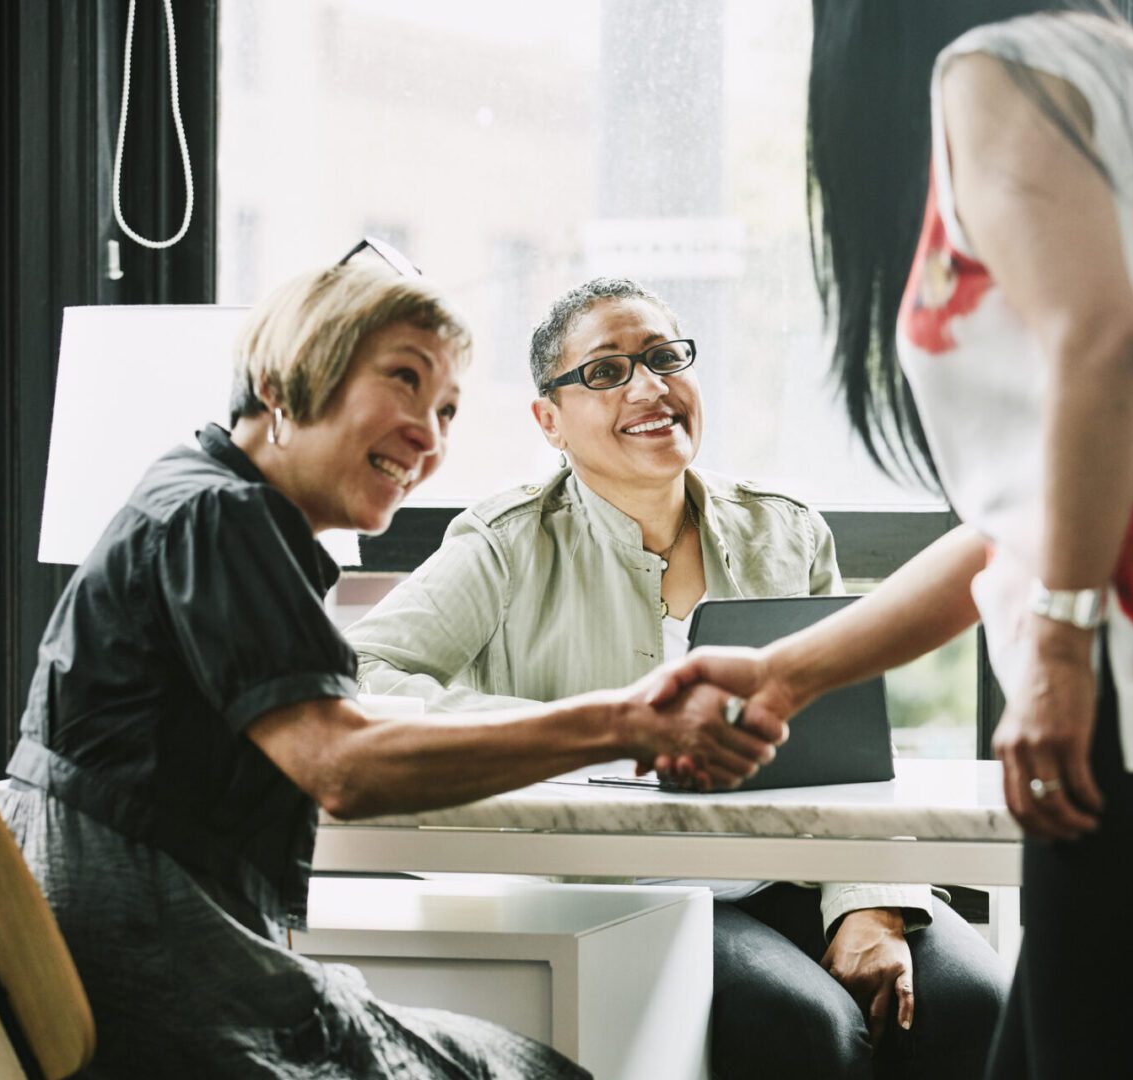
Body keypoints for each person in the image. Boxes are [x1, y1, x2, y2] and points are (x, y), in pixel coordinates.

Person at [656, 4, 1133, 1078]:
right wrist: (788, 674)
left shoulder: (992, 70)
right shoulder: (1106, 70)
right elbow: (1015, 527)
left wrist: (1065, 652)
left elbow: (1104, 342)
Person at [0, 255, 783, 1079]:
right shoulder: (221, 519)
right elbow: (342, 766)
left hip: (129, 954)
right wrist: (619, 723)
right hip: (161, 973)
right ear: (283, 380)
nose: (430, 435)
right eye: (403, 383)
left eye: (445, 410)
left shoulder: (200, 498)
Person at [346, 277, 1006, 1080]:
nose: (649, 387)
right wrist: (581, 734)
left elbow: (848, 748)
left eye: (664, 357)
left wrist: (869, 904)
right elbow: (365, 672)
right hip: (628, 886)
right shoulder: (506, 541)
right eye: (605, 371)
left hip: (792, 866)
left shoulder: (784, 529)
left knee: (975, 1005)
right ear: (548, 420)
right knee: (805, 1026)